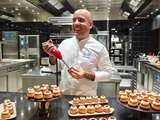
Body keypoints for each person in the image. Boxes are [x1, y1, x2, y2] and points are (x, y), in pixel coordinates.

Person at [42, 9, 111, 96]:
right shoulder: (64, 44)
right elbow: (53, 69)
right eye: (74, 20)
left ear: (90, 24)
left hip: (86, 100)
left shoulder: (99, 48)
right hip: (64, 96)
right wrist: (52, 56)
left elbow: (108, 75)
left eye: (81, 20)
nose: (76, 23)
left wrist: (85, 74)